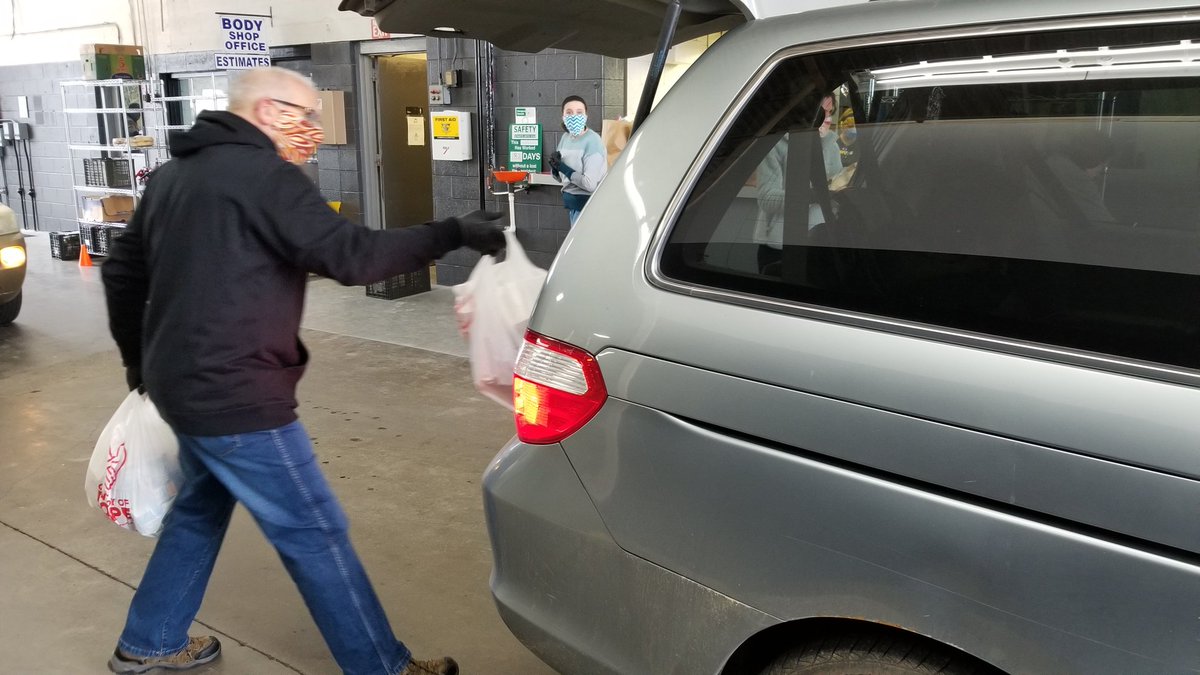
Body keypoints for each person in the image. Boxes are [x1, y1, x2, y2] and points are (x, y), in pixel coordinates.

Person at [100, 67, 505, 675]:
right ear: (267, 111)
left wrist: (141, 360)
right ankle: (382, 667)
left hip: (181, 388)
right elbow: (354, 256)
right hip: (238, 396)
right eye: (306, 115)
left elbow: (120, 274)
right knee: (315, 531)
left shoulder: (172, 176)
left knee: (200, 508)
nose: (315, 129)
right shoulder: (267, 177)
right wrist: (450, 232)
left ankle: (149, 640)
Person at [547, 95, 607, 226]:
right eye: (569, 112)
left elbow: (589, 184)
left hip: (587, 207)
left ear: (586, 115)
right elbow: (562, 178)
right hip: (573, 204)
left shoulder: (593, 141)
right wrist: (555, 168)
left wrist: (562, 168)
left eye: (579, 112)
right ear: (563, 116)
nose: (574, 116)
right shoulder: (566, 137)